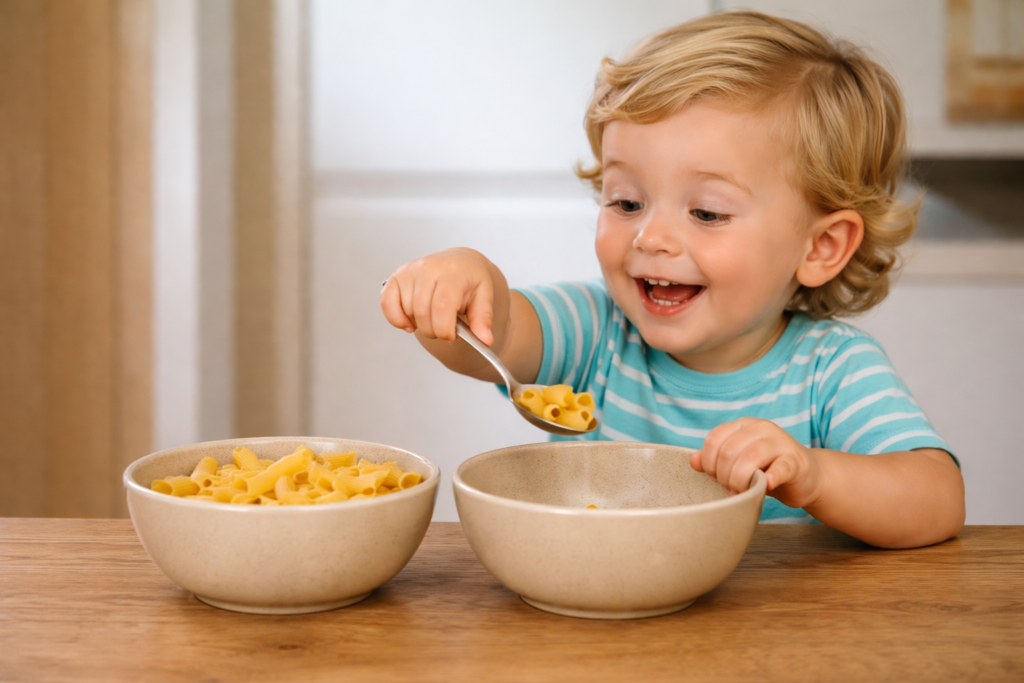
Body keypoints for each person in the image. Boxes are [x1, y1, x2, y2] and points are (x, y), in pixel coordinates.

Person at [379, 11, 965, 548]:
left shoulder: (830, 369)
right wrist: (458, 284)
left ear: (820, 247)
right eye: (626, 201)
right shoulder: (598, 332)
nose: (649, 238)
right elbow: (491, 342)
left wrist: (814, 475)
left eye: (707, 213)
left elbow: (937, 501)